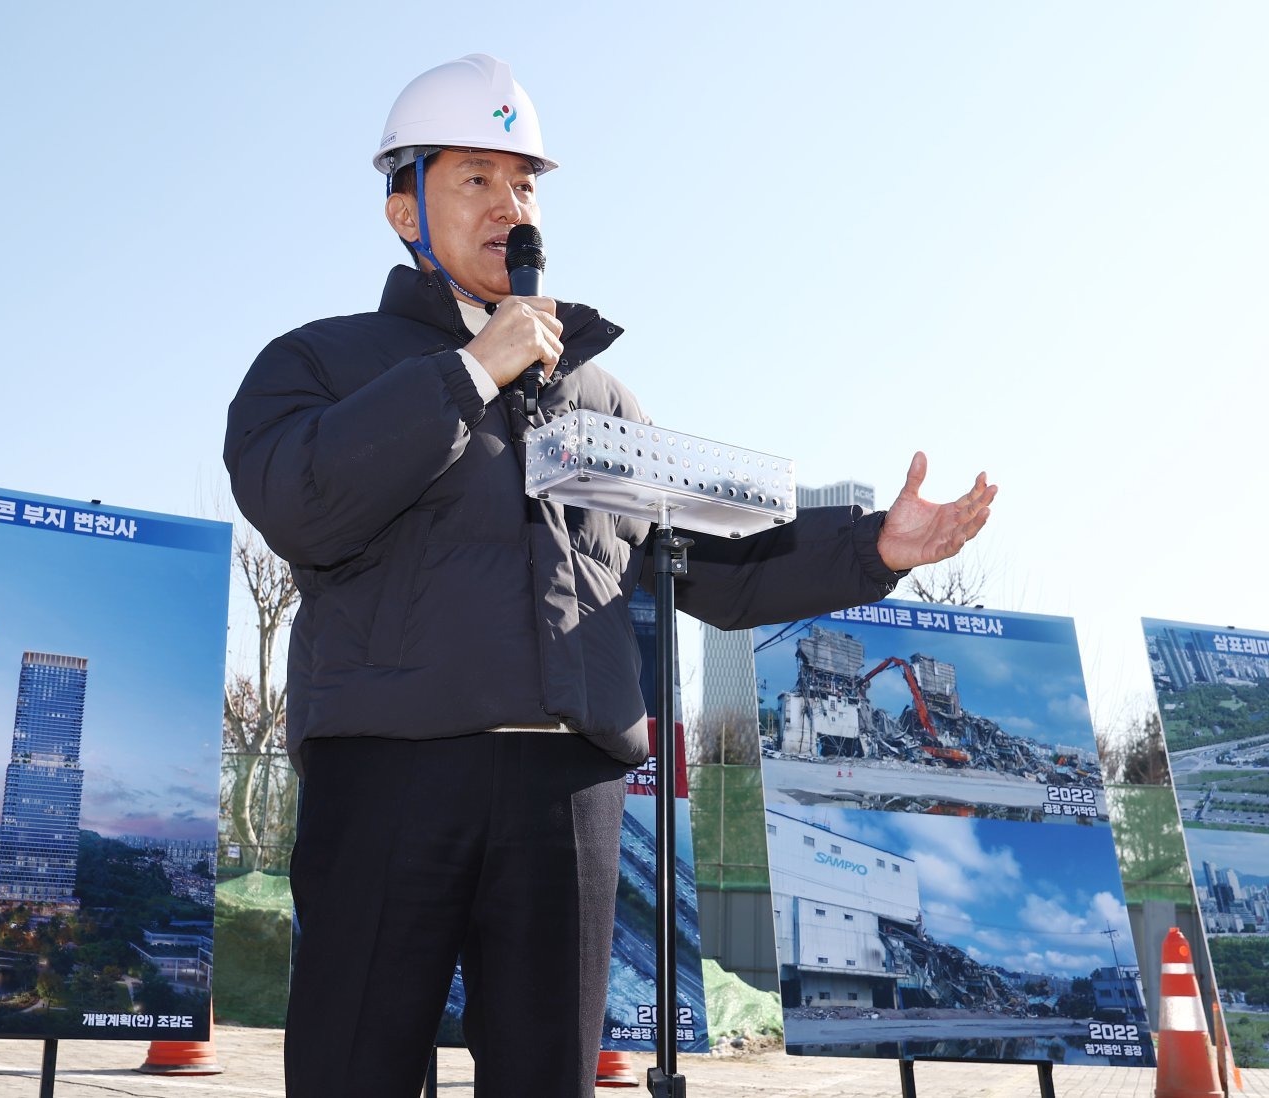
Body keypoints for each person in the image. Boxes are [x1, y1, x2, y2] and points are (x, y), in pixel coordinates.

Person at [224, 53, 996, 1098]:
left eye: (524, 183)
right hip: (390, 770)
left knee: (548, 1076)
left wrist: (874, 548)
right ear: (404, 209)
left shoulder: (600, 399)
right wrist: (469, 373)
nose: (510, 206)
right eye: (475, 178)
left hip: (569, 789)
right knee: (354, 1065)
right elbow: (296, 499)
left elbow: (711, 569)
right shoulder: (319, 362)